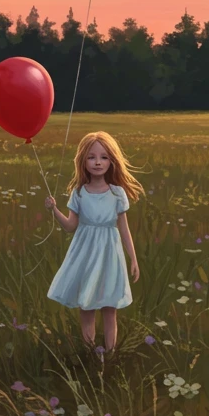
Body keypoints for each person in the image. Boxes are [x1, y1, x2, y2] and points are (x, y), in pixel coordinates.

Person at [44, 131, 143, 355]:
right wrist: (54, 210)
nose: (98, 162)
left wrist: (133, 258)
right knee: (86, 306)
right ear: (82, 161)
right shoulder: (79, 193)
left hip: (110, 253)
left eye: (104, 157)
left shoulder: (117, 193)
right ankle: (90, 353)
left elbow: (124, 228)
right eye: (91, 157)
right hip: (85, 254)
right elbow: (70, 226)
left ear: (112, 161)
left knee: (110, 307)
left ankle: (111, 354)